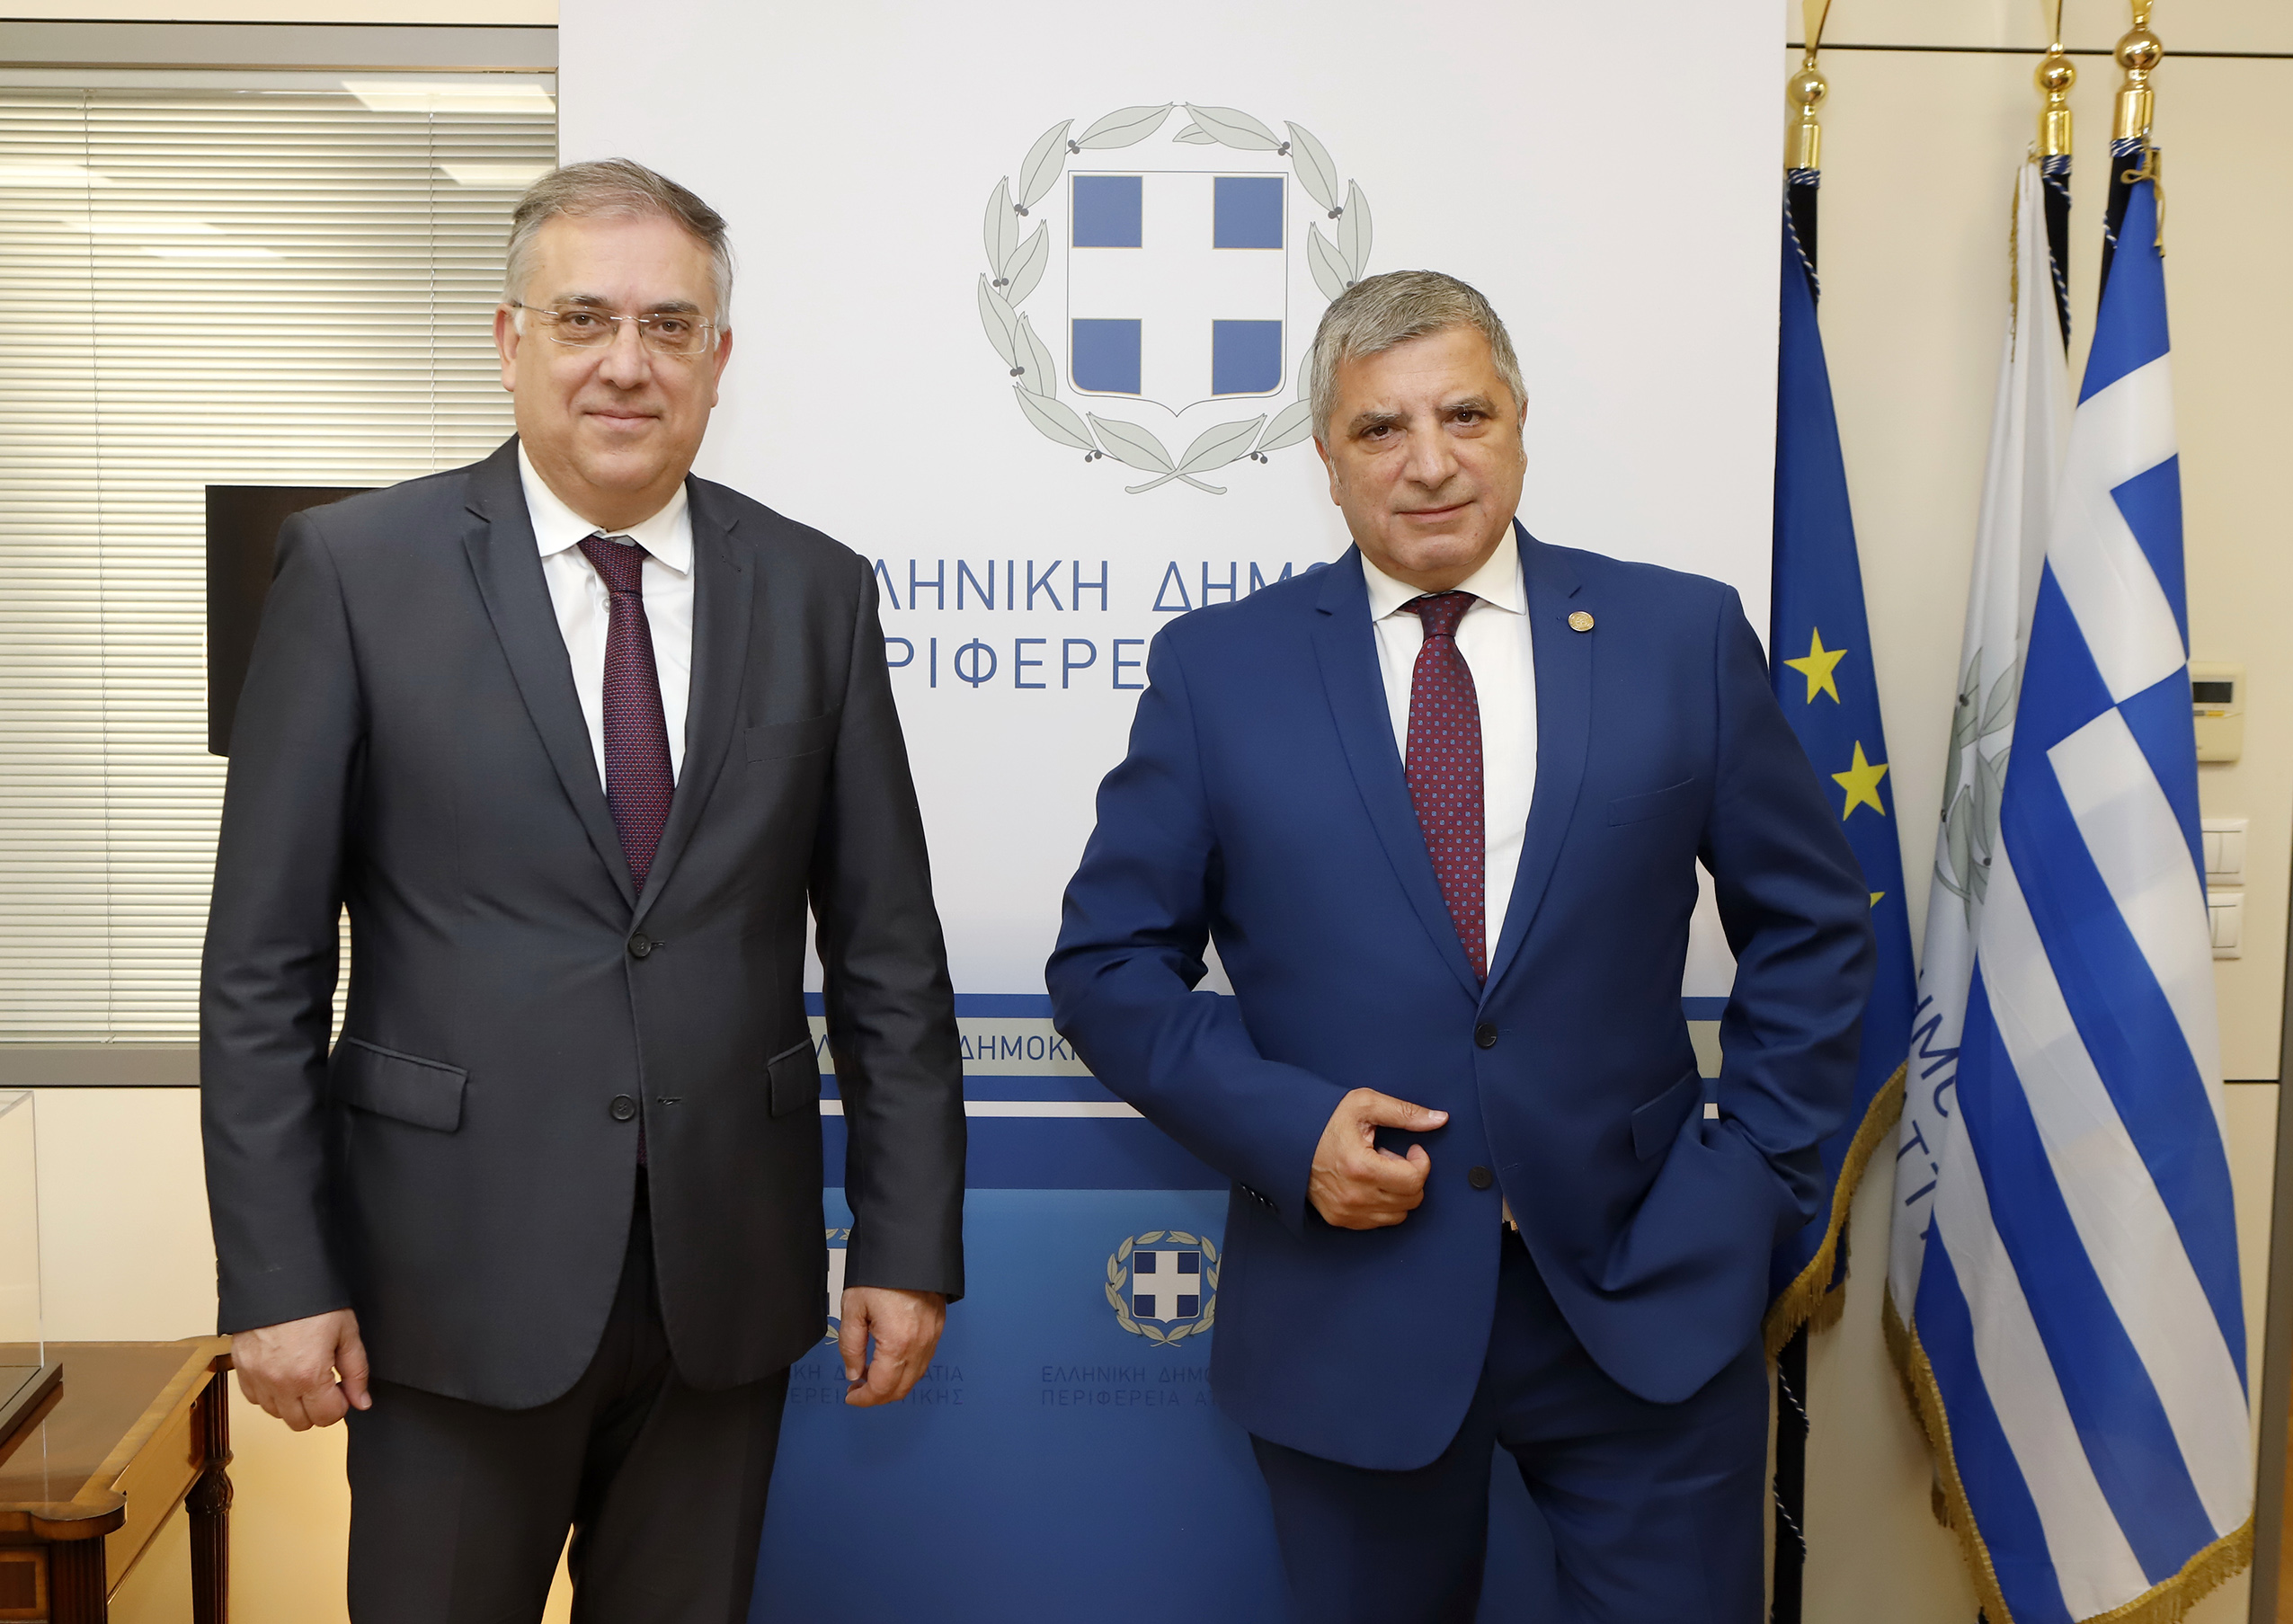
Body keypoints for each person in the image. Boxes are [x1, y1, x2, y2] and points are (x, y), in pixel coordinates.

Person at [1046, 270, 1875, 1623]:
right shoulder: (1220, 671)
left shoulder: (1679, 636)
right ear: (1326, 459)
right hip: (1347, 1314)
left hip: (1646, 1295)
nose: (1429, 463)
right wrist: (1291, 1131)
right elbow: (1107, 967)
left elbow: (1815, 925)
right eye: (1381, 428)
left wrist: (1753, 1180)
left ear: (1520, 425)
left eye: (1465, 416)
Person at [200, 159, 965, 1623]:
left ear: (719, 359)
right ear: (510, 341)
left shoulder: (816, 590)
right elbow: (262, 968)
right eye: (585, 320)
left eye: (670, 326)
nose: (628, 362)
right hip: (443, 1282)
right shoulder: (355, 572)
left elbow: (886, 955)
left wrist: (908, 1243)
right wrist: (277, 1274)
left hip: (723, 1282)